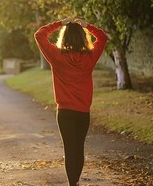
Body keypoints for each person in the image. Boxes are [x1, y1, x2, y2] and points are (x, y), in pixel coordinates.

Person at [34, 17, 108, 186]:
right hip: (83, 113)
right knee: (79, 148)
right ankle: (75, 183)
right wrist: (87, 25)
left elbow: (39, 35)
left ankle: (72, 184)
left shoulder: (57, 56)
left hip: (65, 113)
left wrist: (60, 23)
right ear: (83, 38)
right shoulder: (89, 58)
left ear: (64, 37)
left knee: (70, 149)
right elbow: (103, 38)